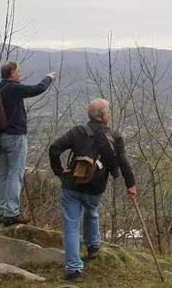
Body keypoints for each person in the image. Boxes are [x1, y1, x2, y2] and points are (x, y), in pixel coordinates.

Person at [48, 98, 137, 281]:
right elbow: (123, 163)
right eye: (108, 111)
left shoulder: (78, 131)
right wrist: (131, 186)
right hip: (95, 188)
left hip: (71, 185)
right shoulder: (114, 136)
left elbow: (54, 148)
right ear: (103, 115)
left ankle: (73, 269)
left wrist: (59, 171)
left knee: (71, 226)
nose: (109, 114)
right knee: (92, 211)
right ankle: (93, 246)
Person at [0, 60, 57, 225]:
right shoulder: (14, 87)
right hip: (16, 136)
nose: (20, 74)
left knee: (3, 173)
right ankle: (11, 213)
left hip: (0, 137)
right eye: (18, 71)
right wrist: (48, 78)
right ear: (12, 73)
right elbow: (37, 89)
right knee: (15, 173)